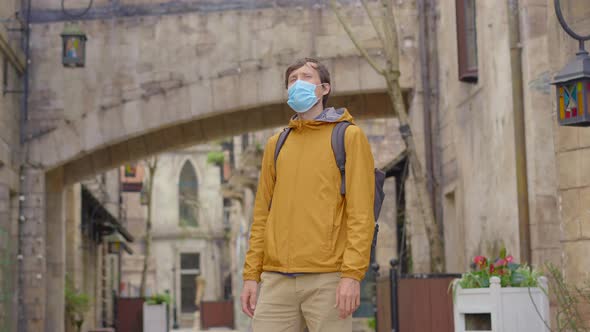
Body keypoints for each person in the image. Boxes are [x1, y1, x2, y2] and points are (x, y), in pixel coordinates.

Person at [240, 57, 376, 332]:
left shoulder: (349, 137)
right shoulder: (276, 144)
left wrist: (351, 275)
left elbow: (361, 214)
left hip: (327, 280)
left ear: (324, 88)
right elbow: (261, 215)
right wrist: (251, 275)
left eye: (306, 77)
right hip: (276, 280)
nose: (298, 83)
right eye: (292, 80)